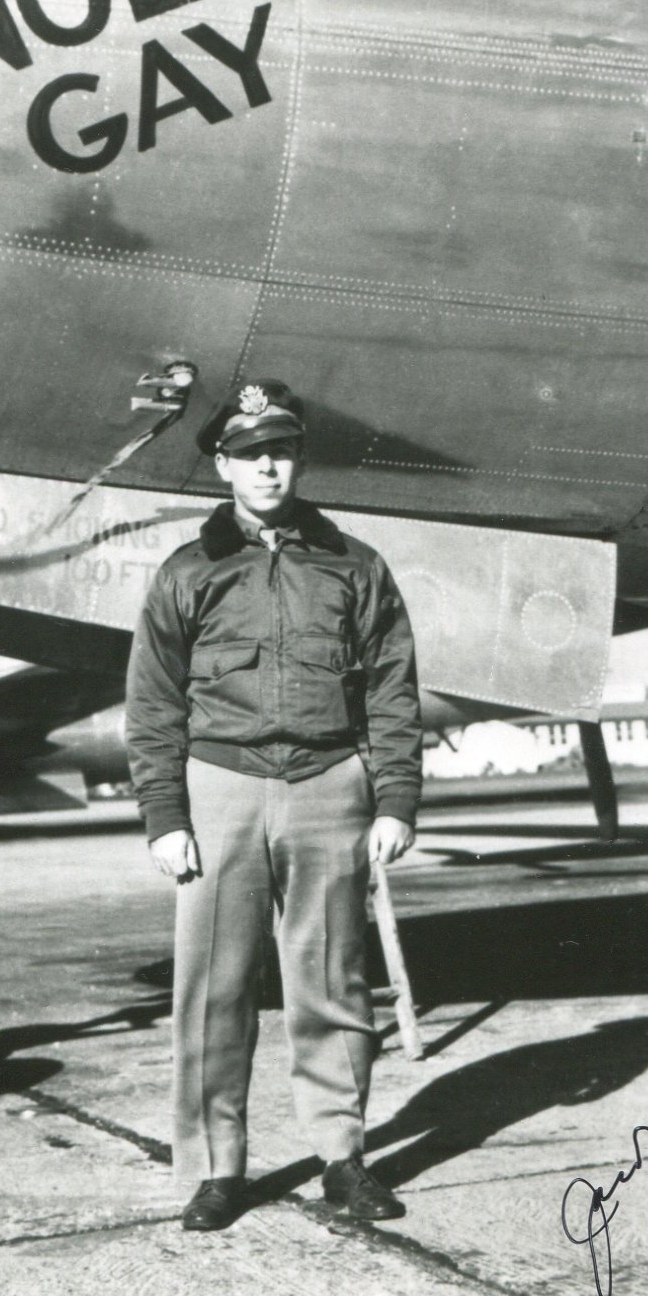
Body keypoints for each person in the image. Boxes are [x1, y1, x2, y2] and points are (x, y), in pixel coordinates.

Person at [125, 379, 423, 1231]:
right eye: (250, 452)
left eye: (280, 450)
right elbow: (153, 701)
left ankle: (342, 1156)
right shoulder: (190, 571)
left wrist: (395, 797)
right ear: (222, 464)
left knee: (332, 978)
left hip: (331, 785)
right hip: (220, 788)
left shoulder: (354, 564)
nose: (267, 465)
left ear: (297, 458)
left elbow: (394, 689)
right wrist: (165, 817)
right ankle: (218, 1168)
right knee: (213, 988)